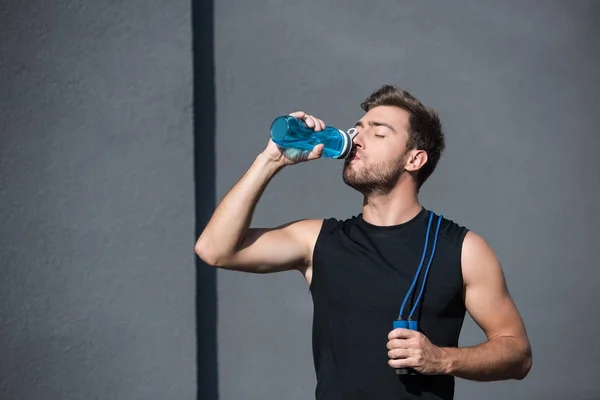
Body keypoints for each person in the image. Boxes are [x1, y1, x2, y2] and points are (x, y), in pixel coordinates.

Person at [195, 85, 532, 399]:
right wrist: (271, 160)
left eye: (379, 131)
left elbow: (517, 353)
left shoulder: (461, 249)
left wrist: (441, 359)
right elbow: (215, 250)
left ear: (414, 159)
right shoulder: (318, 241)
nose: (357, 137)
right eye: (358, 127)